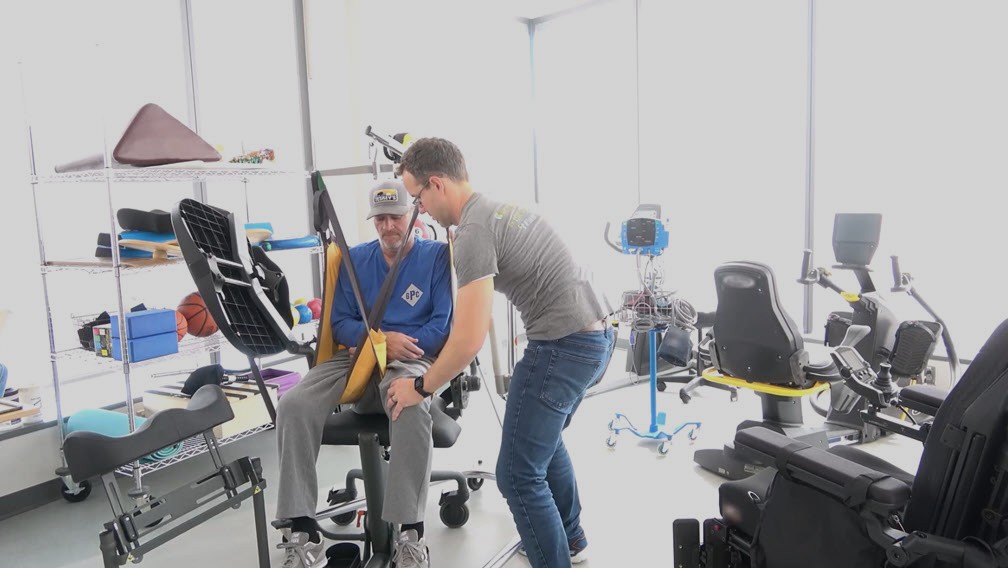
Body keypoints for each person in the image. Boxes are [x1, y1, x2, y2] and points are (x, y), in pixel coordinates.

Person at [387, 138, 616, 568]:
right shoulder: (498, 208)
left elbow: (468, 339)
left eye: (418, 198)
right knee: (543, 444)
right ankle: (571, 539)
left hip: (563, 346)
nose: (421, 210)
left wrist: (420, 386)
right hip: (596, 337)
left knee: (517, 475)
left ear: (437, 184)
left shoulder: (473, 232)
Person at [275, 180, 451, 568]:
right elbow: (339, 323)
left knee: (408, 403)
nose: (388, 227)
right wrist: (381, 341)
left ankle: (411, 532)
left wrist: (394, 344)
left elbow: (441, 328)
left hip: (412, 356)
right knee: (293, 404)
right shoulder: (354, 259)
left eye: (395, 217)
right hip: (361, 354)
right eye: (380, 219)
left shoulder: (437, 257)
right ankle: (302, 528)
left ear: (412, 215)